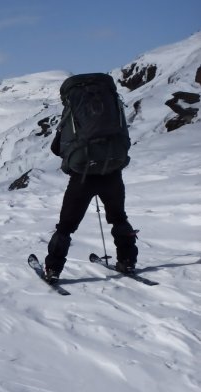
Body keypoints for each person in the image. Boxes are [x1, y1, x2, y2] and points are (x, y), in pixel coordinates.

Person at [43, 73, 138, 283]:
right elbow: (125, 139)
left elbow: (57, 148)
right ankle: (128, 261)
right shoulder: (113, 108)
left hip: (82, 178)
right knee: (119, 218)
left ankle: (53, 269)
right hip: (112, 173)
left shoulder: (73, 113)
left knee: (66, 227)